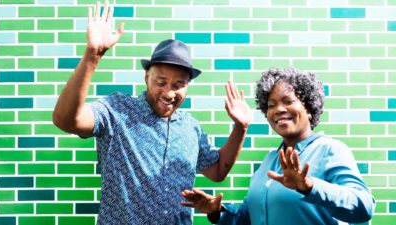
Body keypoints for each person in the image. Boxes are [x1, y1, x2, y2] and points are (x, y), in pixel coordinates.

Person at [52, 1, 251, 224]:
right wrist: (93, 55)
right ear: (147, 77)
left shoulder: (191, 127)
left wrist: (240, 128)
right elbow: (66, 120)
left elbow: (217, 171)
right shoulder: (117, 111)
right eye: (161, 82)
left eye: (178, 85)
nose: (169, 92)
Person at [181, 67, 375, 225]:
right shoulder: (269, 161)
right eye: (271, 105)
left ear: (309, 108)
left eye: (288, 101)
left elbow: (364, 208)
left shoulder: (329, 150)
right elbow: (247, 219)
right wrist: (217, 212)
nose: (279, 109)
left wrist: (309, 186)